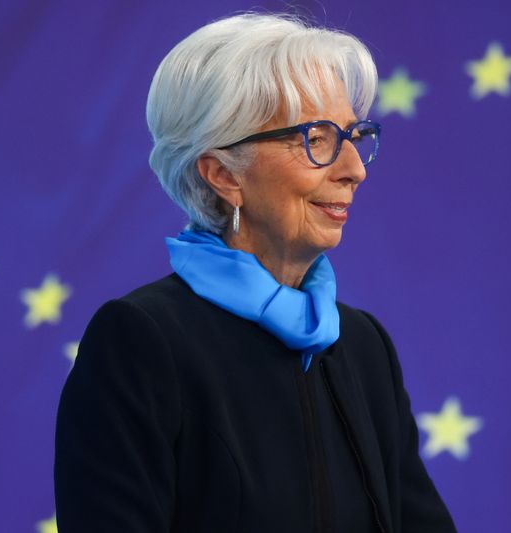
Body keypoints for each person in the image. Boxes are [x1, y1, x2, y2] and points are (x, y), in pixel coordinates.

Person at [54, 13, 457, 533]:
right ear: (223, 174)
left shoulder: (362, 346)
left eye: (354, 135)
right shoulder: (141, 342)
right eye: (318, 138)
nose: (355, 168)